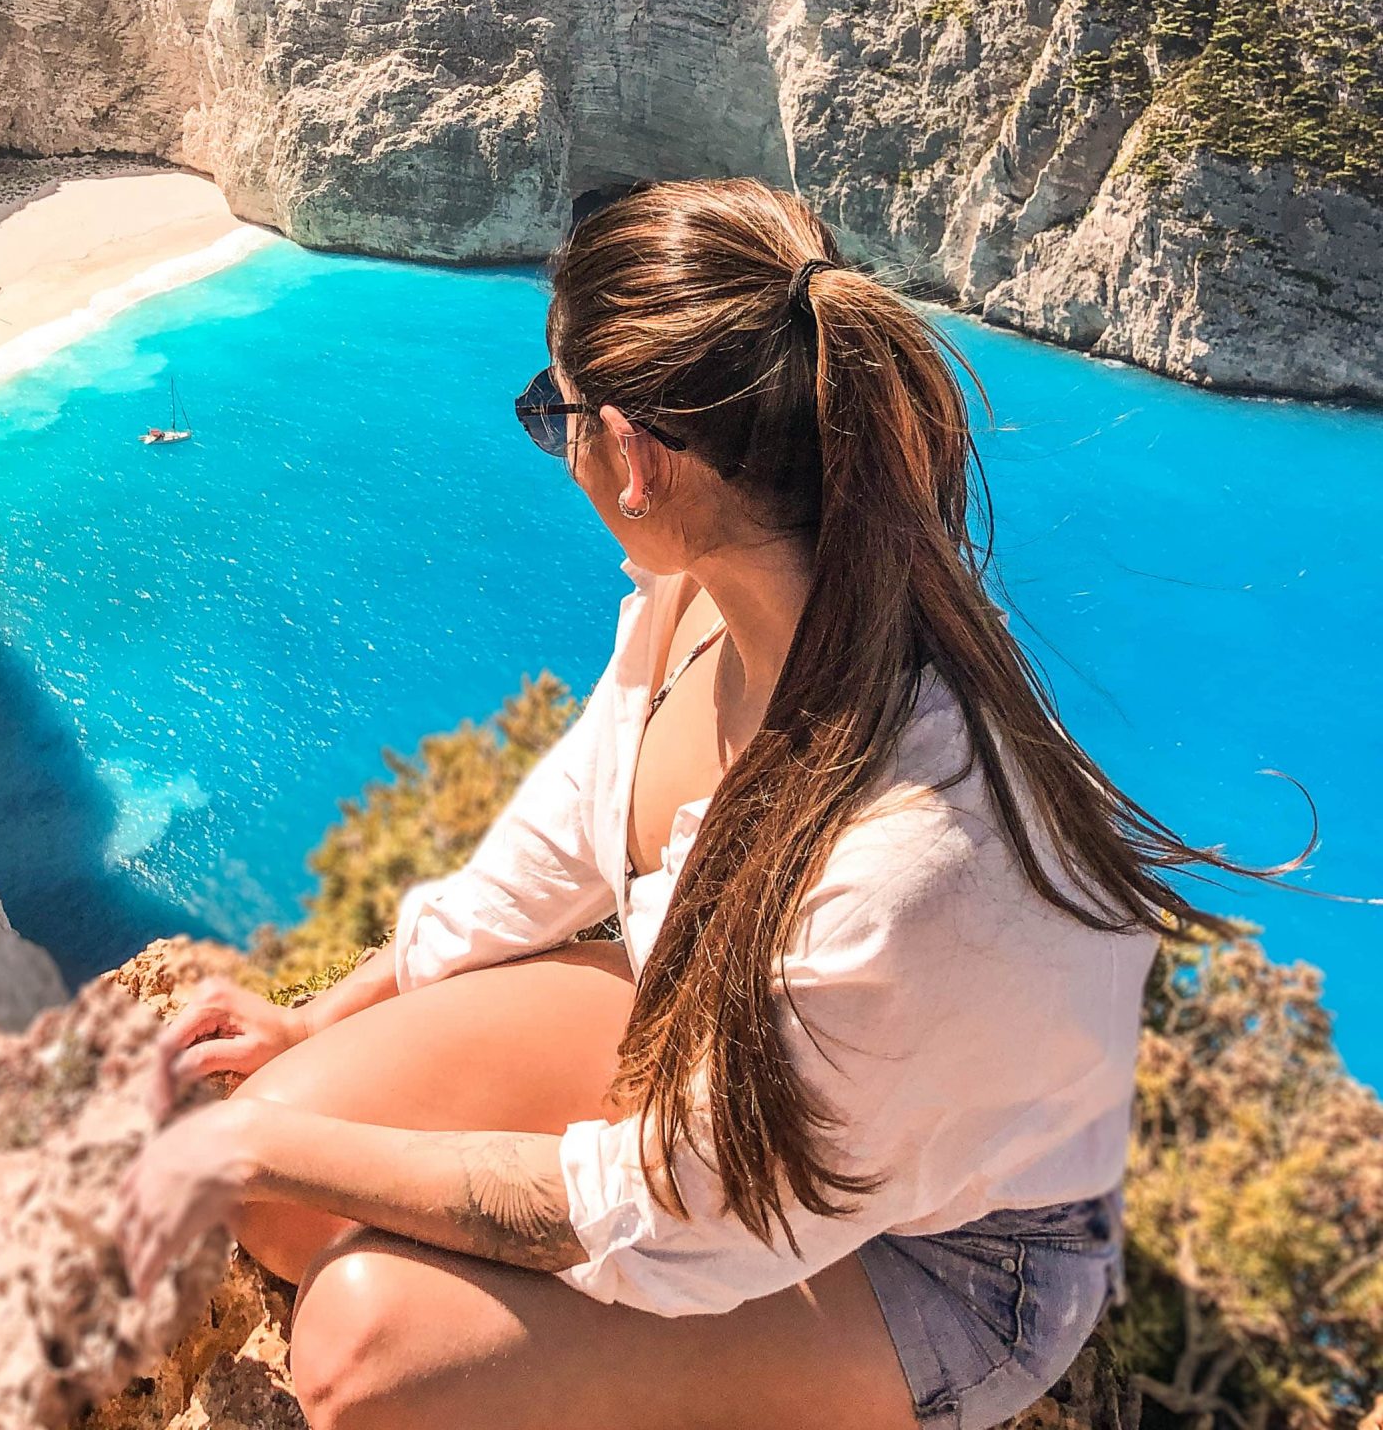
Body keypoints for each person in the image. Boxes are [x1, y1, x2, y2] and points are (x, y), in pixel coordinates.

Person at [111, 177, 1247, 1430]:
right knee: (282, 1187)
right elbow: (562, 835)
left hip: (944, 1250)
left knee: (364, 1345)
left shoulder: (908, 858)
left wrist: (237, 1148)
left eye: (555, 412)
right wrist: (321, 1021)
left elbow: (656, 1213)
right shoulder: (715, 592)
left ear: (638, 458)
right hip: (726, 1040)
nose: (554, 442)